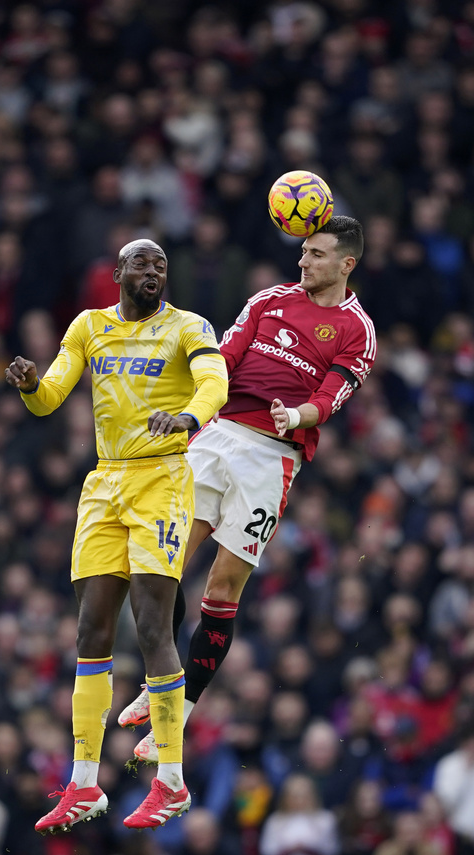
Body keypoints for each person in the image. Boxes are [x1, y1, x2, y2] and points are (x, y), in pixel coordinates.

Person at [119, 216, 377, 762]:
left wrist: (295, 415)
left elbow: (331, 399)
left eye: (316, 255)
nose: (303, 262)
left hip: (273, 458)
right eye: (303, 251)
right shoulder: (268, 301)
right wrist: (189, 408)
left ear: (346, 265)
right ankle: (161, 681)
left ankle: (178, 711)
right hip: (217, 439)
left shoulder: (357, 329)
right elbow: (224, 358)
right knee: (162, 567)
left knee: (223, 588)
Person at [4, 238, 228, 833]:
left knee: (153, 624)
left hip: (162, 479)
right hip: (104, 483)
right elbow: (50, 399)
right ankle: (83, 784)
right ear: (118, 274)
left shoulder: (188, 326)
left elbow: (215, 383)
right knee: (90, 628)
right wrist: (30, 385)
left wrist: (187, 419)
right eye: (142, 263)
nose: (153, 271)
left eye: (161, 264)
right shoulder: (89, 327)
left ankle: (172, 782)